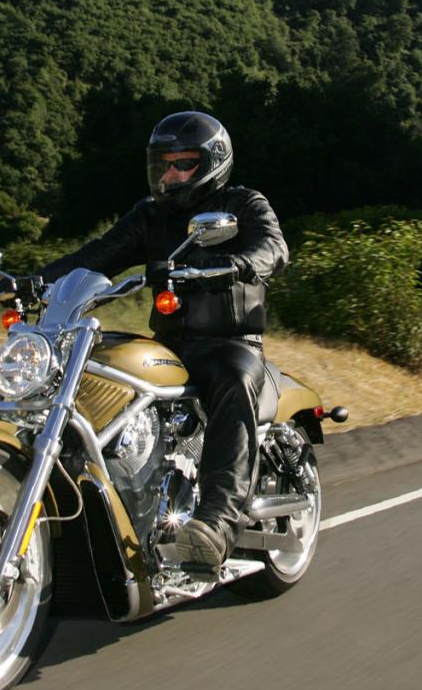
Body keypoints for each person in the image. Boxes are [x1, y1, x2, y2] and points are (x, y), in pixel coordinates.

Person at [35, 111, 289, 568]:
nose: (170, 174)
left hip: (230, 343)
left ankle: (217, 523)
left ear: (212, 162)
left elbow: (273, 247)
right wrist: (35, 280)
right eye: (163, 164)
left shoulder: (244, 203)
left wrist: (237, 264)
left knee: (233, 381)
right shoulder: (150, 216)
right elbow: (96, 255)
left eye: (183, 163)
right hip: (170, 346)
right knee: (100, 372)